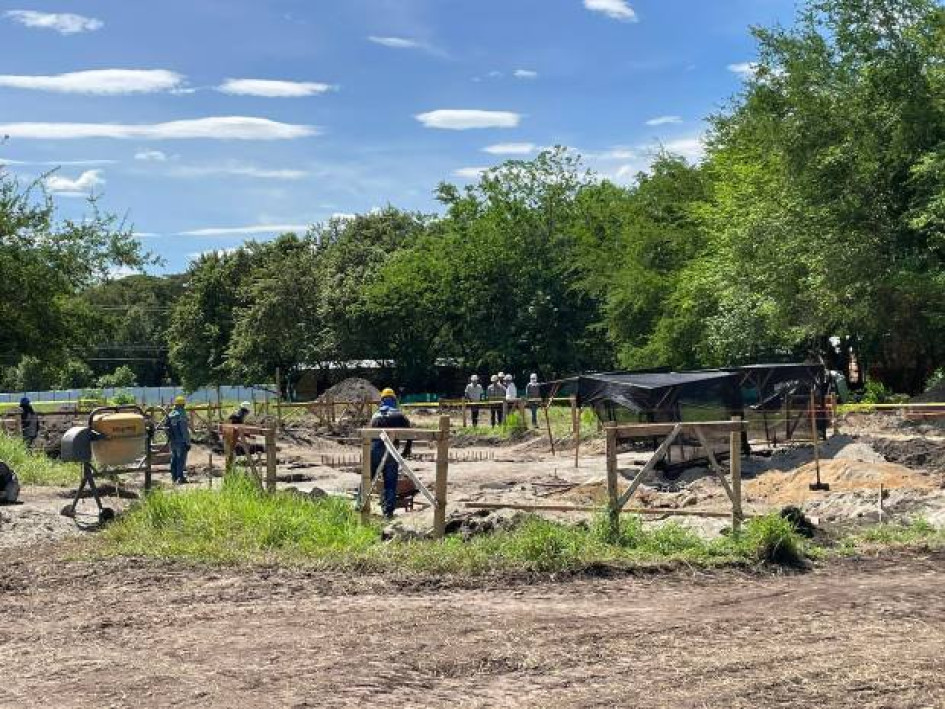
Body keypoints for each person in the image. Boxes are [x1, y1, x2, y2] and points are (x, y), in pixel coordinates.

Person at [368, 388, 412, 519]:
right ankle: (388, 512)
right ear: (394, 400)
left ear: (382, 401)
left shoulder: (375, 416)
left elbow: (369, 436)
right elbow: (410, 434)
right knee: (390, 482)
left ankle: (361, 505)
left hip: (374, 450)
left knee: (367, 479)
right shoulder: (399, 415)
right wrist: (407, 449)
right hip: (391, 450)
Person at [163, 395, 191, 485]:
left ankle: (174, 477)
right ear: (182, 405)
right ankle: (180, 477)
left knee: (174, 458)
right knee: (181, 459)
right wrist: (187, 442)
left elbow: (166, 428)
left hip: (173, 441)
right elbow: (184, 430)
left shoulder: (170, 414)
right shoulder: (181, 414)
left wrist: (170, 438)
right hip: (181, 441)